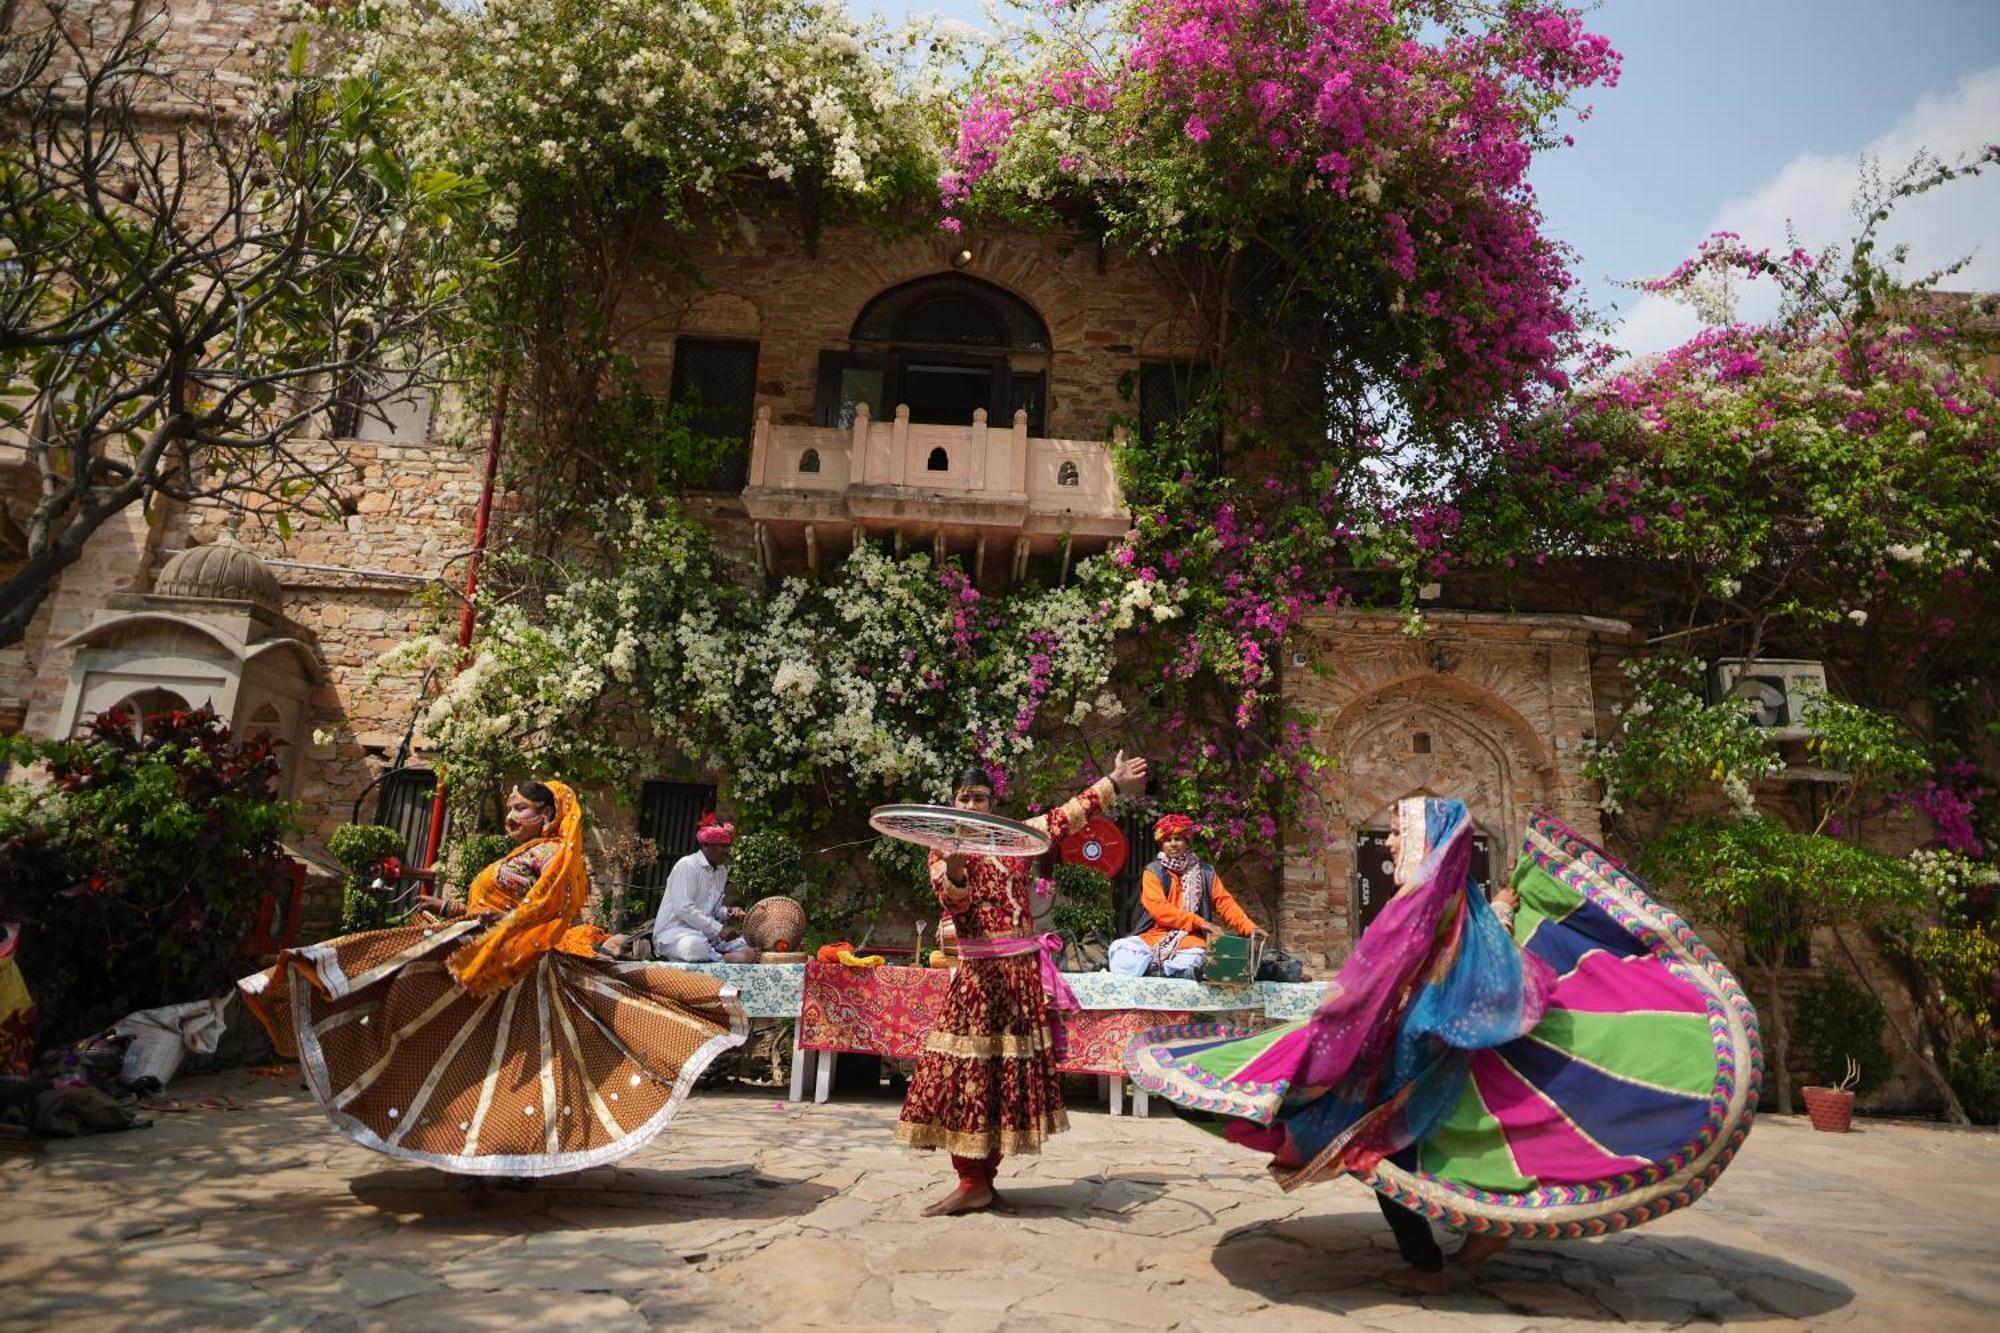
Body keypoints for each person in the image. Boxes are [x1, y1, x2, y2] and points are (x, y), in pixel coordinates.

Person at [1127, 796, 1762, 1279]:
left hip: (1413, 1057)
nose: (1393, 845)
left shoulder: (1427, 904)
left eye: (1403, 834)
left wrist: (1328, 1032)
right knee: (1413, 1149)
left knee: (1377, 1148)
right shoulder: (1453, 899)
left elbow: (1395, 979)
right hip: (1429, 1050)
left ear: (1431, 840)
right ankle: (1472, 1238)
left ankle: (1428, 1264)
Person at [241, 781, 747, 1176]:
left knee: (514, 1074)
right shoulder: (521, 857)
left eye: (521, 809)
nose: (510, 816)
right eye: (510, 807)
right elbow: (496, 907)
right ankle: (486, 1155)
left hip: (519, 977)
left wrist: (478, 927)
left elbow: (532, 917)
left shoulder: (552, 858)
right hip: (493, 969)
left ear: (547, 816)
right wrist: (453, 909)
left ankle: (512, 1157)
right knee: (460, 1057)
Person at [897, 751, 1149, 1216]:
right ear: (952, 803)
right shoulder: (941, 848)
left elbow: (1070, 814)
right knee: (967, 1075)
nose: (972, 806)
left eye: (980, 798)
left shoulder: (1019, 839)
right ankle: (970, 1179)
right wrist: (955, 868)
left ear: (993, 803)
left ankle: (984, 1180)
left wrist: (1113, 781)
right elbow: (954, 904)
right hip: (977, 978)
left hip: (1019, 976)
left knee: (1005, 1076)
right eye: (964, 798)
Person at [1106, 814, 1263, 979]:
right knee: (1120, 949)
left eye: (1178, 838)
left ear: (1187, 841)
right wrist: (1200, 922)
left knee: (1195, 958)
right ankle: (1169, 970)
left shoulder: (1205, 872)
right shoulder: (1153, 872)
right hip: (1154, 936)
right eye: (1168, 840)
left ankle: (1163, 969)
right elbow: (1159, 910)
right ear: (1162, 844)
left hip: (1190, 941)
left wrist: (1249, 928)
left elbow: (1225, 903)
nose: (1173, 844)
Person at [651, 814, 759, 963]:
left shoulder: (721, 872)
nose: (728, 851)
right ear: (707, 845)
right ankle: (724, 959)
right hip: (675, 934)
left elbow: (710, 910)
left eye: (729, 846)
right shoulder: (687, 865)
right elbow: (684, 908)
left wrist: (727, 912)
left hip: (704, 933)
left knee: (744, 943)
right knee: (695, 946)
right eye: (723, 846)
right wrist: (719, 930)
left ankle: (719, 955)